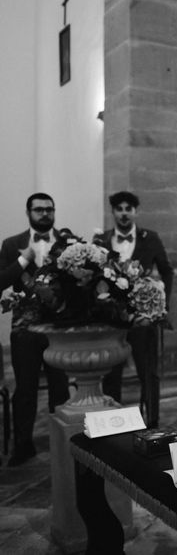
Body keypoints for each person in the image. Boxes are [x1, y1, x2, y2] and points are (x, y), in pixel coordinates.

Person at [0, 193, 69, 466]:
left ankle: (62, 442)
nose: (44, 214)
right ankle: (23, 445)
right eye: (39, 209)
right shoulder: (12, 244)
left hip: (58, 328)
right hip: (25, 329)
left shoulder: (66, 241)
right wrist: (24, 259)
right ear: (28, 212)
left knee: (60, 388)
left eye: (49, 209)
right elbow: (1, 280)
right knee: (25, 389)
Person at [99, 191, 174, 428]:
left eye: (128, 209)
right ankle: (113, 424)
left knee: (148, 372)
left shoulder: (150, 238)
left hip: (143, 319)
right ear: (113, 212)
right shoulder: (101, 240)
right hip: (113, 322)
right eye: (119, 209)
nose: (123, 213)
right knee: (112, 374)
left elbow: (167, 271)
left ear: (135, 212)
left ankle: (152, 423)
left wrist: (160, 307)